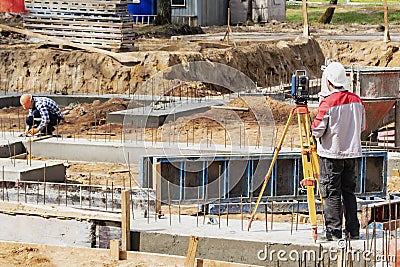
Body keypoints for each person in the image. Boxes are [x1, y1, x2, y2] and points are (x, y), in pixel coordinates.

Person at [311, 62, 367, 241]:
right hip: (352, 154)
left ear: (328, 82)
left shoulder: (328, 103)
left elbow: (317, 130)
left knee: (332, 193)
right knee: (348, 193)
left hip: (331, 155)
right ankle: (353, 231)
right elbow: (363, 126)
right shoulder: (357, 100)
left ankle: (334, 232)